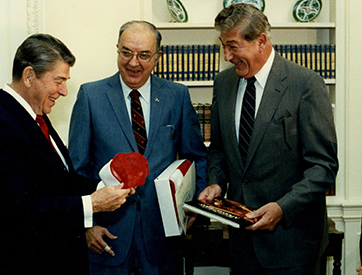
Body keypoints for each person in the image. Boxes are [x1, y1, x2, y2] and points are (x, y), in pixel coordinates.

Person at [0, 33, 133, 275]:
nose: (64, 91)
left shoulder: (35, 118)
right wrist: (92, 205)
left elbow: (61, 182)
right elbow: (18, 210)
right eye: (58, 80)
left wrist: (104, 187)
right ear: (29, 75)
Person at [199, 4, 338, 275]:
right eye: (223, 46)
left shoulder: (305, 84)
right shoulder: (223, 83)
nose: (227, 56)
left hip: (293, 244)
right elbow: (218, 150)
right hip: (241, 245)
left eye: (233, 46)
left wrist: (282, 208)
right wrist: (216, 182)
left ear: (261, 40)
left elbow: (323, 166)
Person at [68, 20, 208, 274]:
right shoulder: (90, 95)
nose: (134, 63)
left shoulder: (177, 95)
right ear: (117, 50)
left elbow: (195, 156)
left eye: (144, 55)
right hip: (107, 237)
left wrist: (193, 206)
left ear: (157, 57)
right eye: (126, 53)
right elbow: (77, 169)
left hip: (162, 236)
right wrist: (87, 226)